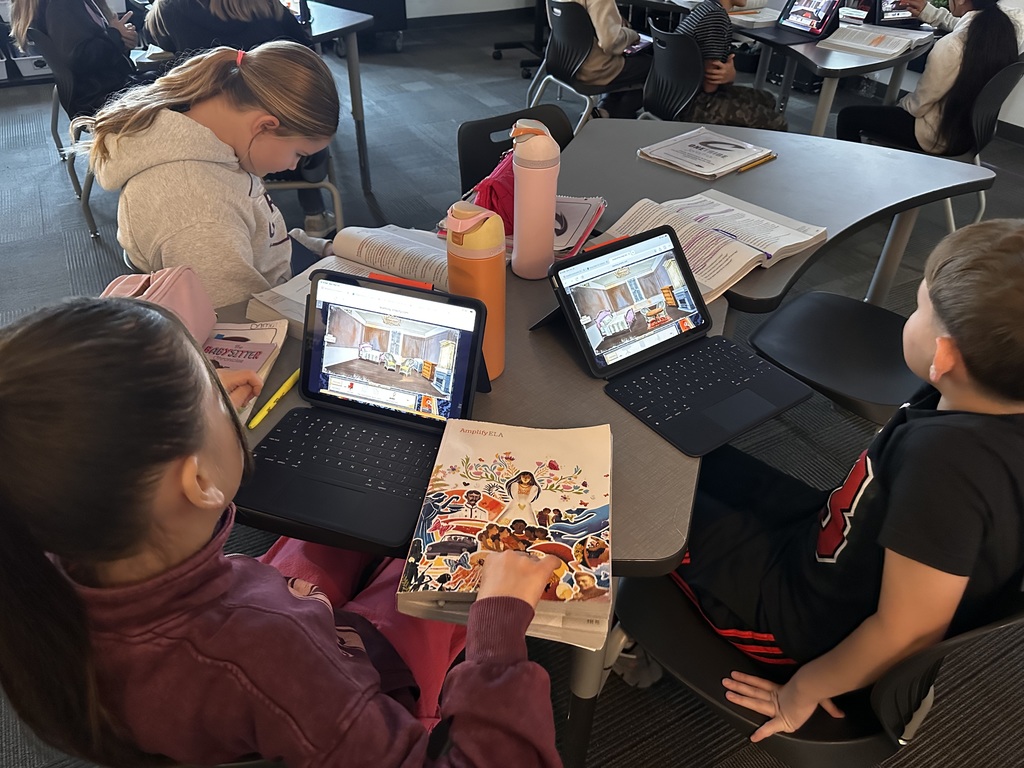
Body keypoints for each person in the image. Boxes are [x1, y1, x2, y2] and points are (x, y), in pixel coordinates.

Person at [0, 296, 562, 767]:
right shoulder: (269, 654)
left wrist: (190, 430)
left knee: (328, 538)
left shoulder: (44, 567)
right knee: (432, 557)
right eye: (213, 399)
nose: (226, 397)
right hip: (339, 687)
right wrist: (500, 627)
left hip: (242, 652)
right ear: (196, 482)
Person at [668, 219, 1024, 742]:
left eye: (919, 309)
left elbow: (911, 630)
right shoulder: (976, 409)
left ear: (944, 356)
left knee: (651, 513)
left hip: (798, 622)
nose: (911, 316)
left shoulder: (948, 470)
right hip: (824, 547)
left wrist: (804, 688)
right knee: (698, 458)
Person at [73, 41, 341, 307]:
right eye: (299, 154)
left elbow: (259, 235)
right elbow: (237, 322)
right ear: (264, 126)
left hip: (280, 275)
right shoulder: (199, 212)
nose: (294, 167)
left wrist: (320, 249)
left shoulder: (216, 142)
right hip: (263, 312)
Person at [143, 0, 335, 237]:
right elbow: (305, 52)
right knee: (302, 123)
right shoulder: (267, 5)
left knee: (297, 132)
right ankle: (314, 210)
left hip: (214, 131)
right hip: (266, 137)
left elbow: (155, 41)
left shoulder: (168, 9)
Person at [836, 0, 1024, 155]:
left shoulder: (951, 46)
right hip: (971, 132)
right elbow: (963, 23)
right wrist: (929, 12)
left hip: (936, 136)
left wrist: (897, 105)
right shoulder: (1007, 28)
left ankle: (852, 181)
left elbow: (917, 107)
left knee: (848, 116)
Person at [9, 0, 144, 117]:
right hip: (102, 95)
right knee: (164, 82)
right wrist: (114, 36)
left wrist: (123, 40)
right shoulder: (63, 4)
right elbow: (80, 59)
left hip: (97, 90)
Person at [674, 0, 788, 130]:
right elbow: (710, 87)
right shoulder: (716, 19)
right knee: (777, 122)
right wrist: (730, 76)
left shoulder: (705, 8)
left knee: (767, 99)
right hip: (692, 105)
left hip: (679, 96)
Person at [548, 0, 652, 119]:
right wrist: (633, 35)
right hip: (595, 70)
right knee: (656, 66)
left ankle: (603, 112)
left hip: (564, 63)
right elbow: (610, 43)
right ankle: (623, 116)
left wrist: (614, 21)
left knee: (626, 67)